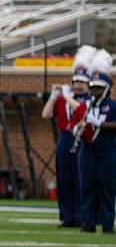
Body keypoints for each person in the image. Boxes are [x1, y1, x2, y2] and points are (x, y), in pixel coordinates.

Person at [42, 54, 93, 228]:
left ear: (88, 84)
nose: (78, 85)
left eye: (82, 82)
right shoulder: (64, 98)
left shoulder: (89, 99)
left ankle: (81, 216)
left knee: (80, 179)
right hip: (64, 138)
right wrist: (53, 97)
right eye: (75, 81)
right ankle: (67, 216)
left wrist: (66, 96)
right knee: (64, 179)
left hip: (81, 140)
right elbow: (46, 114)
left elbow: (80, 109)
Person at [72, 63, 115, 235]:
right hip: (87, 151)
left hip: (108, 151)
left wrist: (100, 124)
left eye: (98, 88)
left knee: (107, 188)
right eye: (92, 87)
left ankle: (107, 224)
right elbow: (74, 124)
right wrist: (77, 129)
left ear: (106, 89)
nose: (94, 91)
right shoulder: (84, 105)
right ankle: (87, 222)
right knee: (87, 187)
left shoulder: (113, 106)